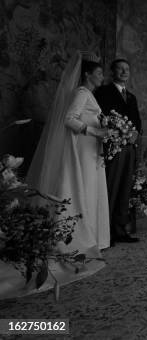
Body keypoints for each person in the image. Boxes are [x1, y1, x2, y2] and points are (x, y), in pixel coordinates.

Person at [1, 52, 110, 299]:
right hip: (82, 152)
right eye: (99, 72)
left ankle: (93, 235)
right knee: (81, 190)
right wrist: (95, 131)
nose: (102, 76)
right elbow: (69, 119)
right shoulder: (81, 92)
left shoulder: (89, 94)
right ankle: (80, 237)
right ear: (87, 74)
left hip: (89, 152)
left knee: (89, 191)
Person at [95, 58, 142, 245]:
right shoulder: (103, 91)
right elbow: (101, 116)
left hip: (130, 147)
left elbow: (137, 120)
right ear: (112, 72)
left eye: (127, 69)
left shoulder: (131, 97)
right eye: (120, 69)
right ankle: (106, 234)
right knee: (111, 187)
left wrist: (135, 133)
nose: (124, 72)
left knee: (124, 189)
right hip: (113, 147)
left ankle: (120, 230)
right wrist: (118, 132)